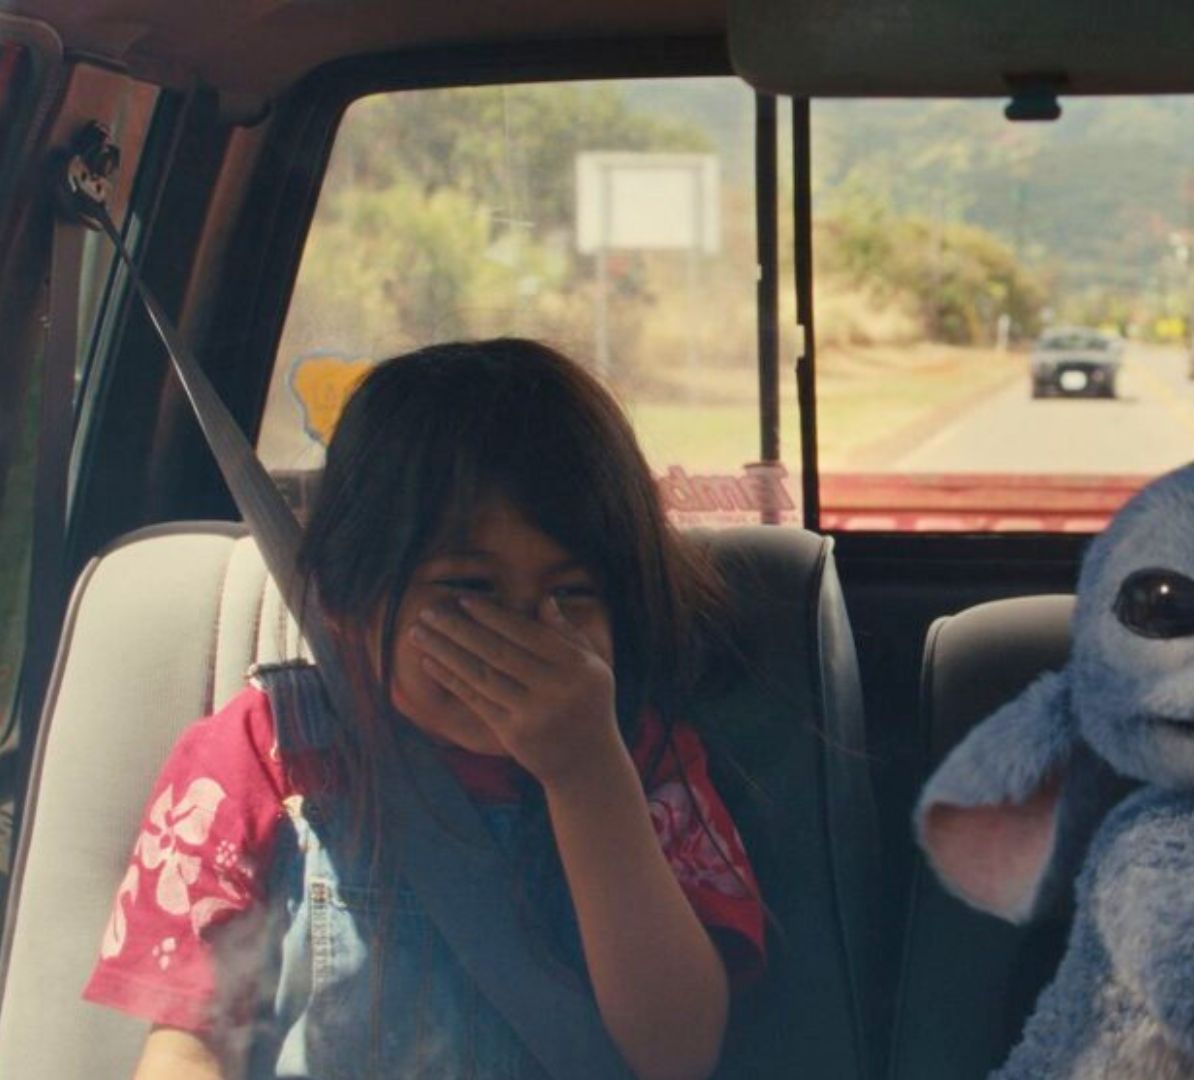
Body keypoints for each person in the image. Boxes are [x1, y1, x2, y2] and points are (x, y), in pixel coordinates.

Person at [82, 339, 764, 1078]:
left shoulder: (644, 762)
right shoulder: (266, 753)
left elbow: (676, 1053)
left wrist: (588, 775)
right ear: (347, 599)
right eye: (468, 589)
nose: (527, 633)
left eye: (572, 594)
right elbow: (188, 1046)